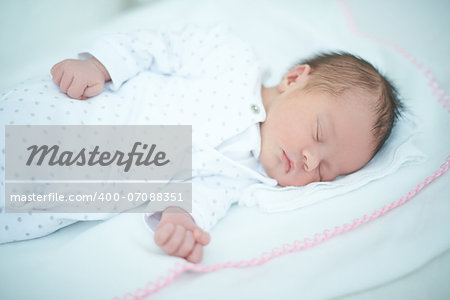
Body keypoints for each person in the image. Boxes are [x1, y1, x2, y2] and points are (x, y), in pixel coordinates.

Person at [48, 24, 402, 263]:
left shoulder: (245, 178)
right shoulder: (232, 63)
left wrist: (180, 220)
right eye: (319, 133)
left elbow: (202, 196)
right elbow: (160, 44)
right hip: (70, 111)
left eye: (327, 171)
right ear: (294, 80)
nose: (311, 160)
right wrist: (101, 65)